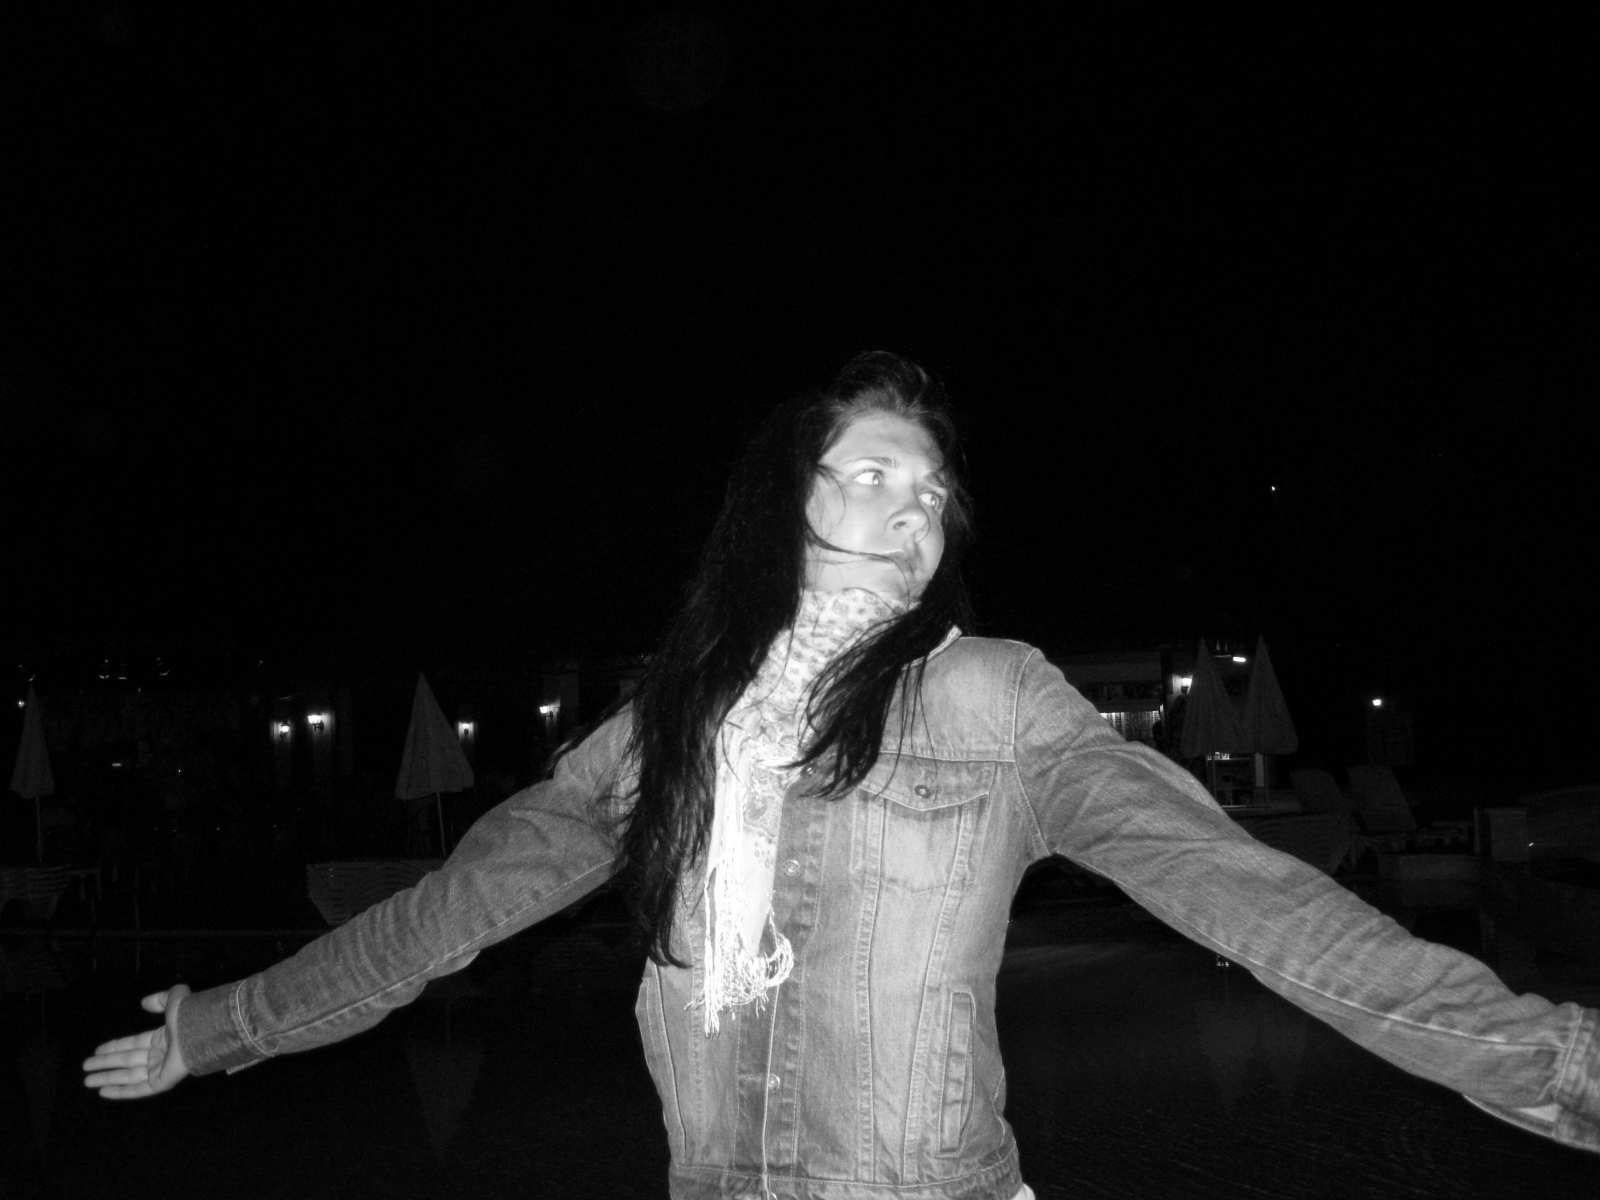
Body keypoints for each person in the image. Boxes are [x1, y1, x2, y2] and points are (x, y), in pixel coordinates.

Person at [84, 352, 1599, 1197]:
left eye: (931, 494)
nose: (913, 509)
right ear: (782, 503)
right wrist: (225, 1027)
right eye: (872, 474)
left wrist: (1548, 1060)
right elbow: (456, 909)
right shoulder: (669, 726)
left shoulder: (994, 696)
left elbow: (1245, 894)